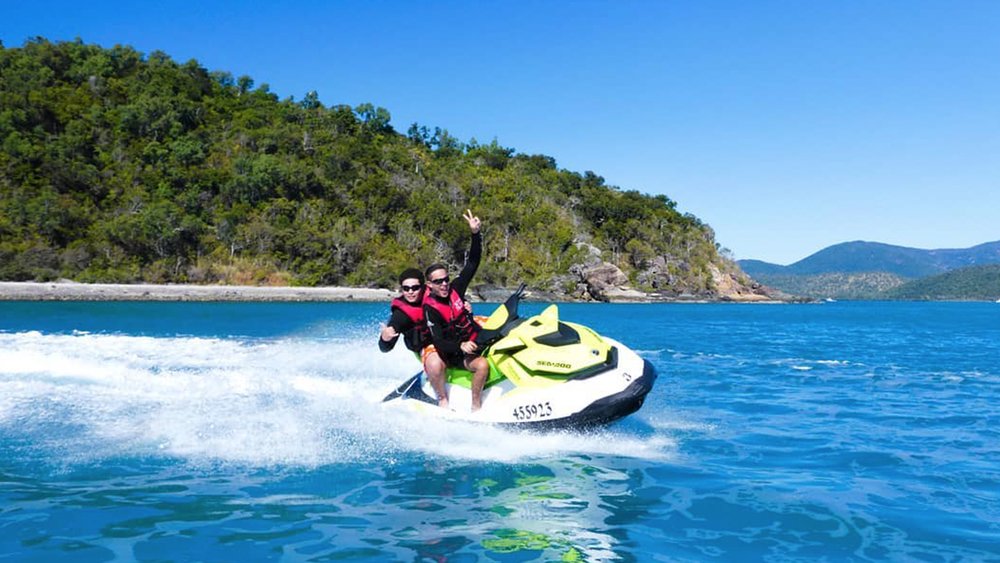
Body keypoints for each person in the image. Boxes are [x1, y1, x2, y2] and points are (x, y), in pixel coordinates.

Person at [423, 209, 490, 411]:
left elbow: (473, 263)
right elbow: (439, 341)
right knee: (482, 365)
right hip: (455, 352)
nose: (444, 284)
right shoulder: (431, 309)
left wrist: (475, 234)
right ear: (429, 285)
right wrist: (460, 346)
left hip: (475, 338)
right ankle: (476, 406)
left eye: (446, 279)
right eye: (438, 281)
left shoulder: (456, 289)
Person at [379, 267, 448, 406]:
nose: (410, 292)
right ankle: (442, 399)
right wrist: (385, 338)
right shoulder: (401, 315)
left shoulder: (435, 294)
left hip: (447, 336)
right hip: (426, 345)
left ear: (423, 287)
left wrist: (465, 305)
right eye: (406, 288)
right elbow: (385, 348)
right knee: (435, 363)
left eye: (415, 288)